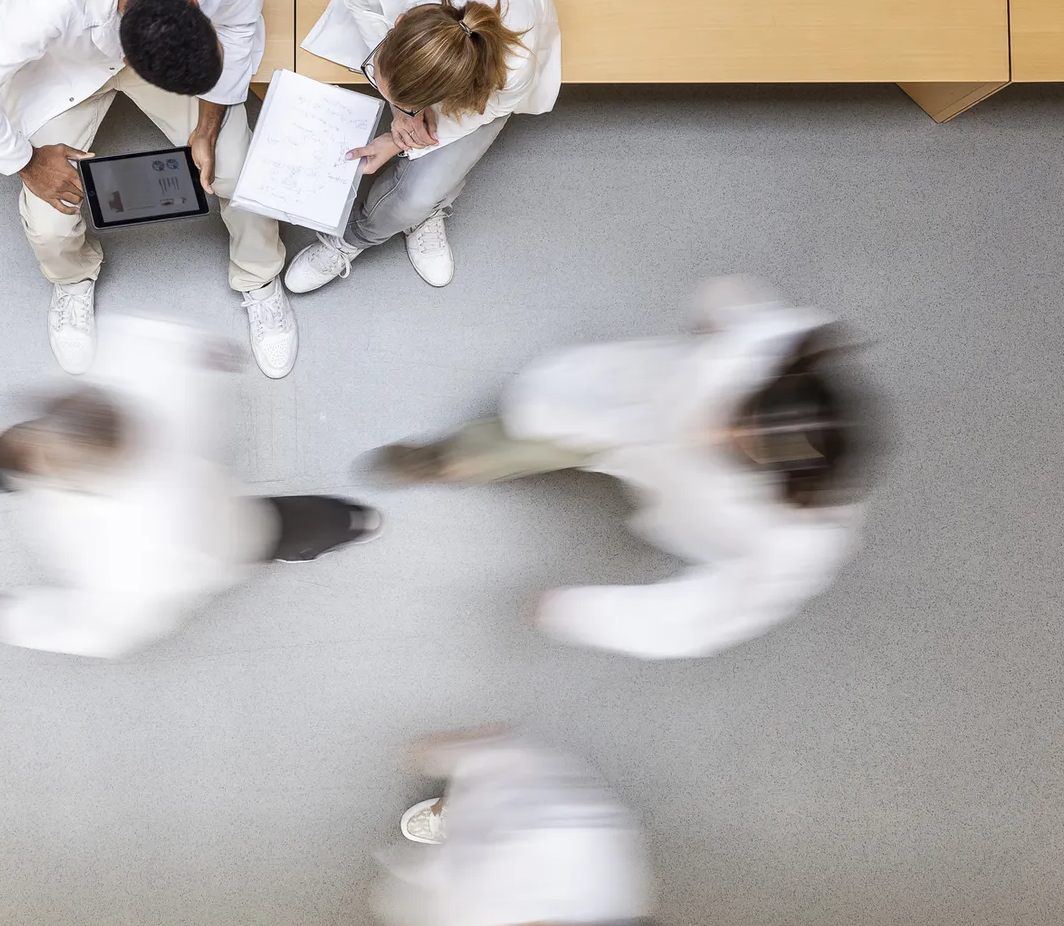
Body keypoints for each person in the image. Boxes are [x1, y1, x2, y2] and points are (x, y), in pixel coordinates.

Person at [366, 277, 874, 659]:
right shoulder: (774, 344)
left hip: (673, 490)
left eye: (744, 449)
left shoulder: (796, 542)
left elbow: (706, 616)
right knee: (519, 436)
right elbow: (730, 299)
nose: (722, 435)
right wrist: (710, 316)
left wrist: (584, 613)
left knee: (607, 460)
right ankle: (446, 460)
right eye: (742, 417)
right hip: (618, 409)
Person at [0, 0, 298, 379]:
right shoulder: (39, 1)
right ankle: (72, 278)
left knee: (241, 169)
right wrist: (26, 162)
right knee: (51, 217)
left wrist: (207, 127)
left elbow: (237, 28)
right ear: (123, 58)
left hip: (146, 21)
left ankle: (259, 275)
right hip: (63, 63)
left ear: (193, 1)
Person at [0, 314, 379, 657]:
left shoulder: (143, 553)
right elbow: (146, 349)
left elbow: (105, 624)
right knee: (7, 460)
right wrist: (194, 352)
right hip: (106, 482)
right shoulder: (131, 401)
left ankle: (339, 523)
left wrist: (19, 619)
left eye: (43, 449)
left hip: (220, 526)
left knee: (267, 529)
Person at [286, 0, 560, 295]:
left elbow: (486, 108)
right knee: (425, 180)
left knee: (421, 193)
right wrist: (402, 114)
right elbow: (362, 11)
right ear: (397, 24)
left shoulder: (513, 70)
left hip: (516, 6)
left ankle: (361, 238)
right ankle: (415, 209)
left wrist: (399, 141)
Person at [374, 730, 661, 926]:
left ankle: (461, 818)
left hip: (502, 845)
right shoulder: (558, 839)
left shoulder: (602, 906)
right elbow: (506, 756)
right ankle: (458, 815)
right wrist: (447, 753)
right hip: (509, 821)